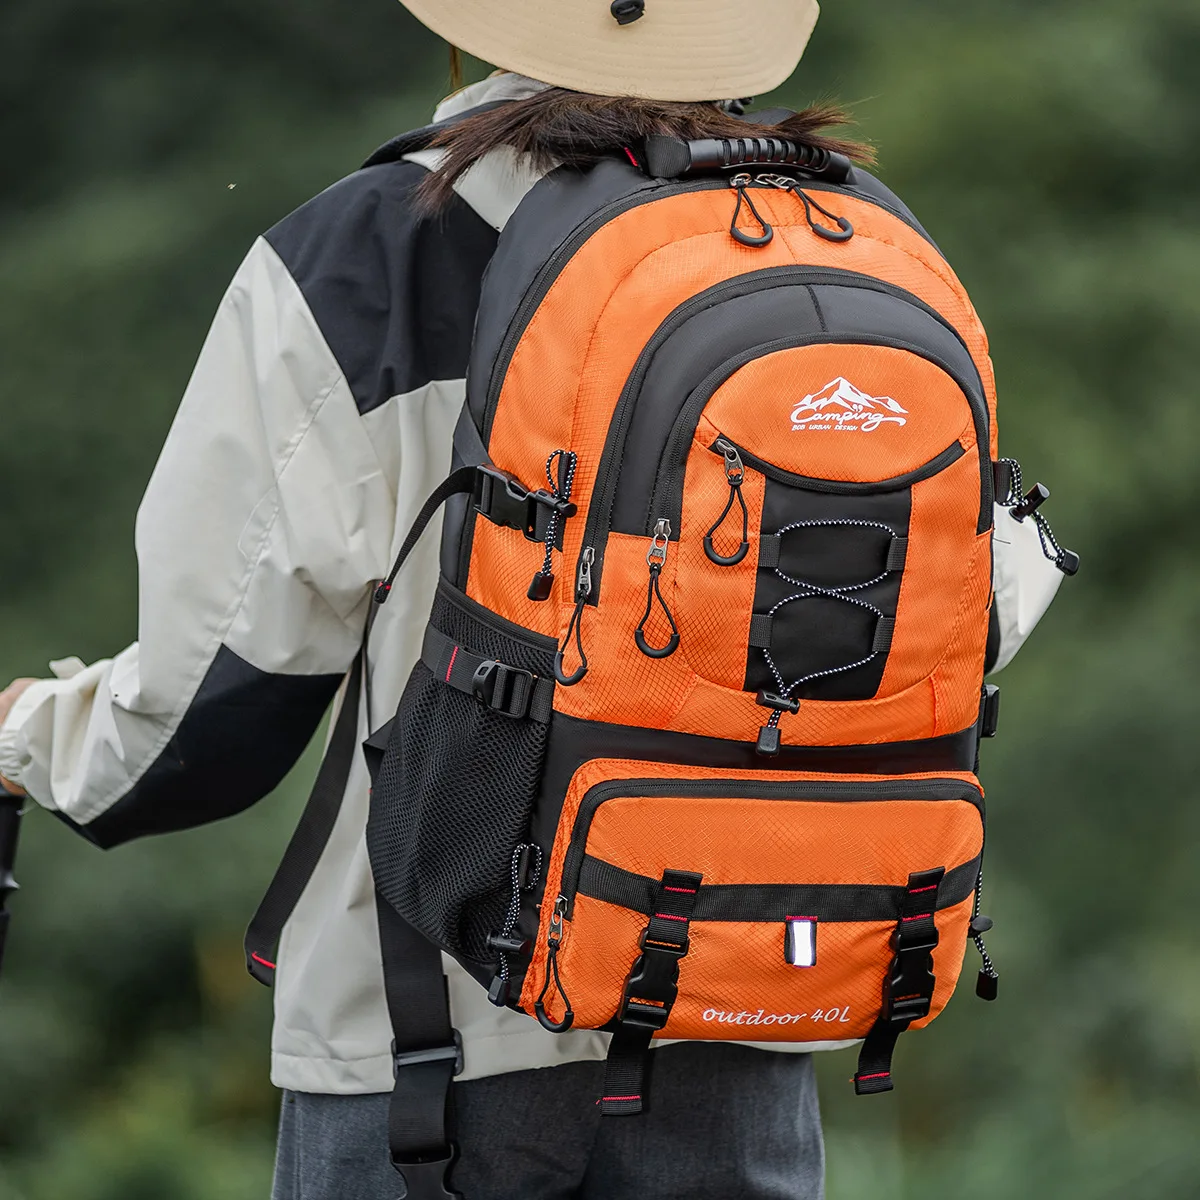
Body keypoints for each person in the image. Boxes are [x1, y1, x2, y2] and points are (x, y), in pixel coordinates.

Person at [0, 2, 871, 1196]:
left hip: (427, 1051)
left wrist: (30, 737)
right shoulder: (842, 242)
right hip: (737, 1008)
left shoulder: (368, 253)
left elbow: (209, 712)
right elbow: (977, 605)